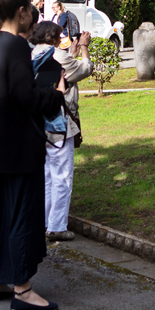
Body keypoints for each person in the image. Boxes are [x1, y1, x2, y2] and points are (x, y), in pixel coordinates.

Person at [0, 0, 65, 310]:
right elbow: (24, 97)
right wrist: (55, 94)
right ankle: (23, 289)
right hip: (15, 146)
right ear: (23, 12)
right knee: (21, 214)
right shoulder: (14, 46)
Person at [29, 23, 92, 242]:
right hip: (58, 122)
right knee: (62, 175)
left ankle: (43, 220)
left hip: (36, 122)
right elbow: (84, 69)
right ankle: (56, 226)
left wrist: (69, 55)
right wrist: (84, 48)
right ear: (55, 38)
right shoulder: (58, 55)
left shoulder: (30, 53)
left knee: (45, 175)